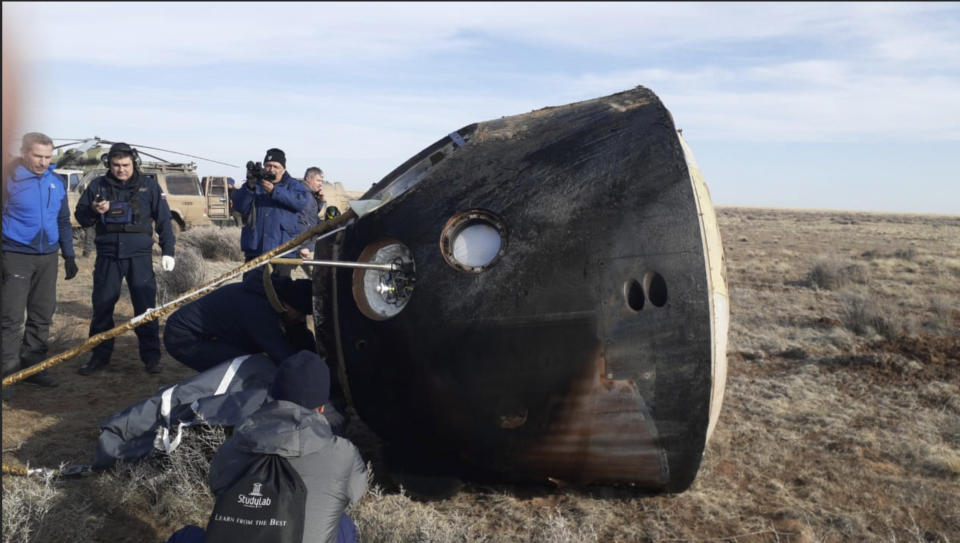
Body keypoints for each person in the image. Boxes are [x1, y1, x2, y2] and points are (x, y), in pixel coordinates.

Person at [209, 351, 367, 543]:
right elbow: (355, 493)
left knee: (186, 535)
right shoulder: (342, 452)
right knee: (342, 524)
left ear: (273, 396)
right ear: (321, 408)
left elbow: (217, 488)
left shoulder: (231, 448)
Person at [74, 142, 175, 376]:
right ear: (109, 164)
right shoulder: (97, 186)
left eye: (125, 165)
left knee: (145, 308)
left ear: (134, 163)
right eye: (116, 165)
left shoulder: (149, 187)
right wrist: (94, 210)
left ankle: (151, 358)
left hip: (139, 256)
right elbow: (81, 217)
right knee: (102, 306)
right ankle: (99, 356)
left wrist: (168, 250)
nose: (121, 169)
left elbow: (164, 221)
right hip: (108, 255)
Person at [2, 132, 78, 393]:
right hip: (15, 255)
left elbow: (63, 221)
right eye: (38, 156)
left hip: (48, 257)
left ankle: (33, 366)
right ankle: (7, 374)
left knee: (42, 314)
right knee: (11, 318)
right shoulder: (9, 180)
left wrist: (69, 254)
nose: (43, 162)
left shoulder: (55, 181)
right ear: (24, 153)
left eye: (48, 157)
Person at [163, 274, 315, 372]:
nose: (303, 319)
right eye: (301, 314)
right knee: (251, 367)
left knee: (254, 354)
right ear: (287, 305)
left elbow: (298, 333)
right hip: (183, 337)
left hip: (207, 333)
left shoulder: (277, 296)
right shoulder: (258, 308)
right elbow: (281, 355)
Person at [232, 148, 310, 263]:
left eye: (275, 166)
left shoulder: (293, 185)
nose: (271, 169)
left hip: (283, 251)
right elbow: (240, 207)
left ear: (283, 169)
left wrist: (274, 191)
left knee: (279, 281)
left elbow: (300, 203)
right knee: (252, 281)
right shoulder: (255, 184)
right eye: (268, 165)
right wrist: (250, 187)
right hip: (256, 250)